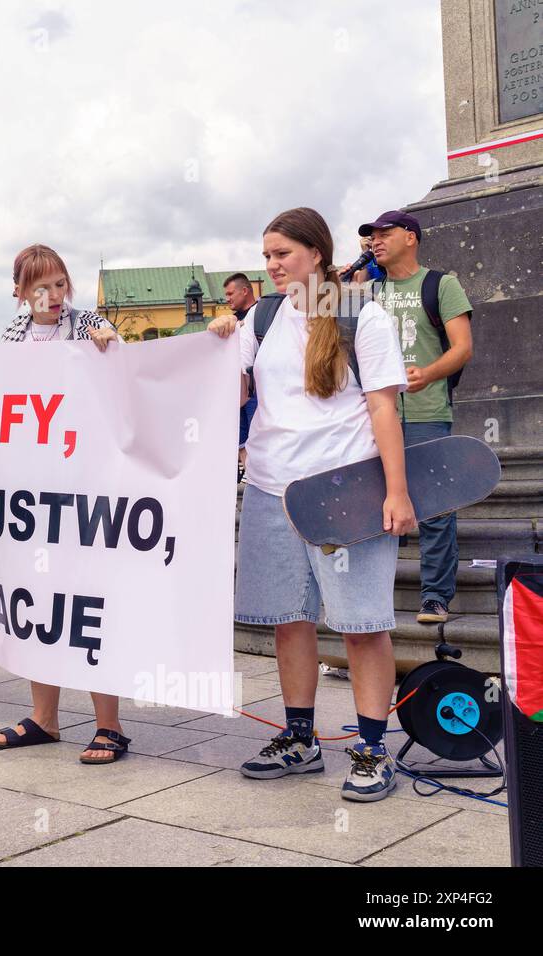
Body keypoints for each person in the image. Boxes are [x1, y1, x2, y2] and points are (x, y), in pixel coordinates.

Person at [209, 206, 416, 802]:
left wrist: (396, 491)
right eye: (267, 255)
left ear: (316, 255)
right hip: (272, 489)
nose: (272, 265)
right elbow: (238, 386)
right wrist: (219, 346)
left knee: (360, 625)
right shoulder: (264, 316)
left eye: (283, 254)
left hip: (345, 492)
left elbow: (382, 406)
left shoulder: (359, 314)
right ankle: (299, 739)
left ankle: (373, 748)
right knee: (288, 620)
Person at [0, 244, 126, 765]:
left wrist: (108, 341)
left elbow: (120, 370)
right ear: (20, 293)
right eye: (39, 287)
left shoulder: (86, 322)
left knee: (86, 601)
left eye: (58, 284)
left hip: (83, 483)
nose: (52, 295)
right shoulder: (10, 336)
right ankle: (44, 718)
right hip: (29, 488)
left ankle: (109, 725)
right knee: (36, 602)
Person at [360, 210, 473, 625]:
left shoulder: (440, 284)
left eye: (385, 233)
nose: (376, 240)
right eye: (371, 236)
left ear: (411, 237)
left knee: (435, 505)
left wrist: (427, 373)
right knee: (373, 502)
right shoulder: (365, 291)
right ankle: (369, 596)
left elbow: (462, 348)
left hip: (426, 410)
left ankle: (436, 597)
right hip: (373, 413)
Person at [223, 274, 260, 480]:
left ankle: (260, 480)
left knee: (257, 437)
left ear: (244, 291)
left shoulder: (261, 313)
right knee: (241, 439)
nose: (227, 298)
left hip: (255, 388)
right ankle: (253, 481)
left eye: (230, 293)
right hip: (236, 389)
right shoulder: (232, 321)